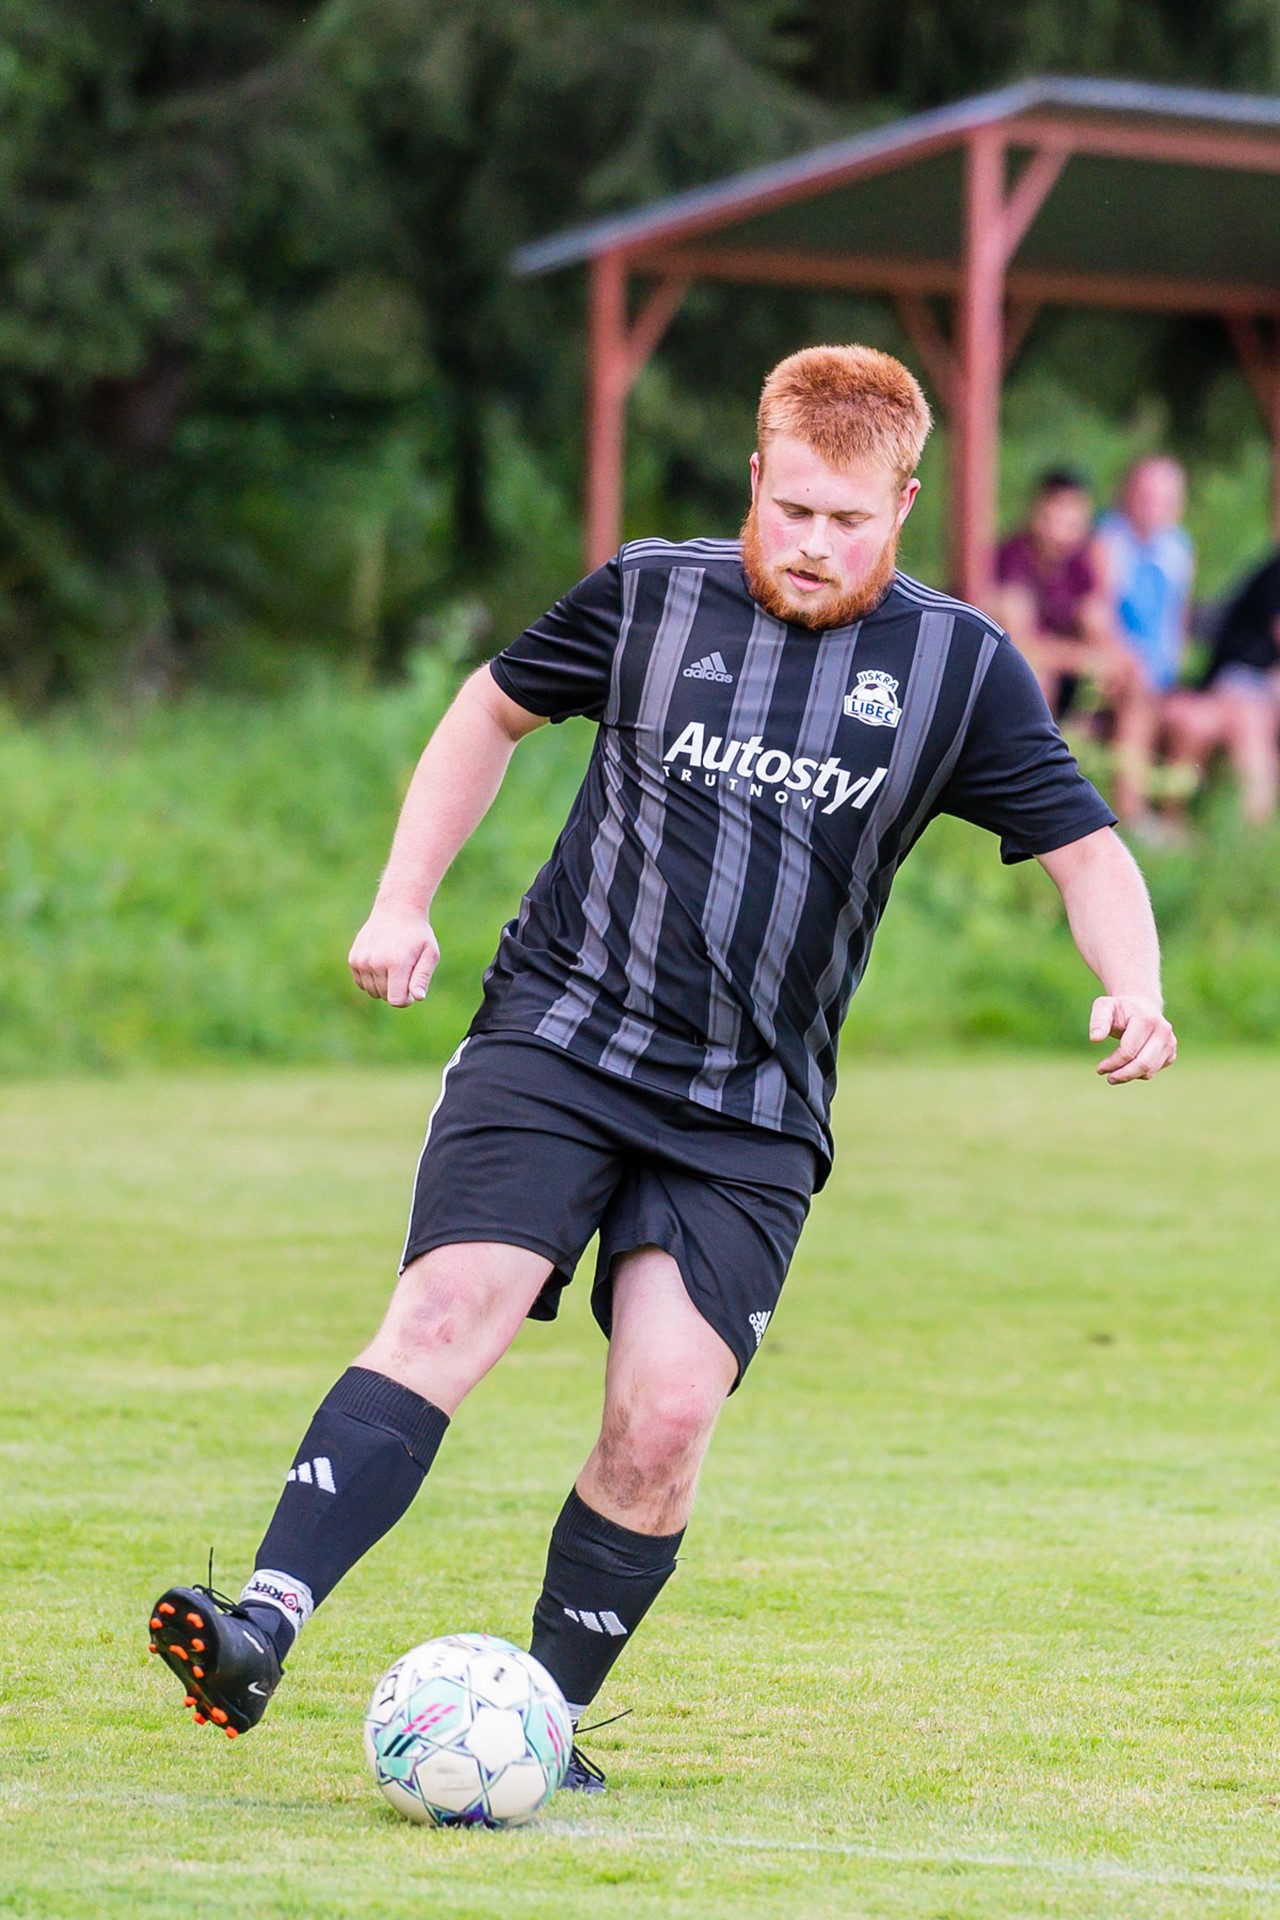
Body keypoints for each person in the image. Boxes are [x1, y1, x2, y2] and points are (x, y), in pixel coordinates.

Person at [147, 346, 1177, 1786]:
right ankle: (260, 1621)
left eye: (849, 521)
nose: (813, 544)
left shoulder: (958, 669)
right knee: (447, 1309)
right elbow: (487, 710)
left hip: (752, 1103)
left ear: (904, 507)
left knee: (666, 1416)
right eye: (792, 509)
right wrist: (400, 899)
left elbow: (1086, 849)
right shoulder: (650, 594)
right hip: (562, 1033)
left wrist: (1134, 985)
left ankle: (544, 1726)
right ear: (755, 479)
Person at [1093, 457, 1195, 831]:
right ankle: (1132, 810)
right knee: (1137, 689)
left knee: (1191, 717)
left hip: (1160, 673)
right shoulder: (1107, 541)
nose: (1154, 508)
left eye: (1165, 500)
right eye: (1146, 496)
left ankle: (1172, 819)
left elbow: (1177, 619)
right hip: (1115, 667)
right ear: (1127, 495)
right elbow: (1099, 618)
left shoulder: (1179, 548)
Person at [991, 468, 1138, 722]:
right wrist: (1083, 659)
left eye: (1073, 518)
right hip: (1034, 669)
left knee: (1132, 675)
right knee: (1034, 680)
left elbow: (1104, 629)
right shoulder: (1012, 560)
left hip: (1074, 669)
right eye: (1055, 513)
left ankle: (1128, 748)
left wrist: (1116, 662)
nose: (1062, 526)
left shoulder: (1084, 562)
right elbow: (1020, 647)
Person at [1163, 545, 1280, 824]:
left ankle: (1253, 824)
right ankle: (1253, 825)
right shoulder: (1274, 572)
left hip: (1254, 682)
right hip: (1242, 678)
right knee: (1243, 724)